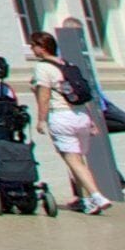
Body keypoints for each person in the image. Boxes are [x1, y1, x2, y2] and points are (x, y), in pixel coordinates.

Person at [28, 29, 111, 214]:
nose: (32, 49)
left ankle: (97, 195)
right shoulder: (68, 64)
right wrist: (91, 120)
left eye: (33, 45)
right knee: (79, 161)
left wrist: (41, 120)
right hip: (81, 116)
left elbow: (44, 95)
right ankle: (86, 201)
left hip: (61, 116)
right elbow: (82, 95)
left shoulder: (43, 67)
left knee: (73, 160)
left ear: (42, 48)